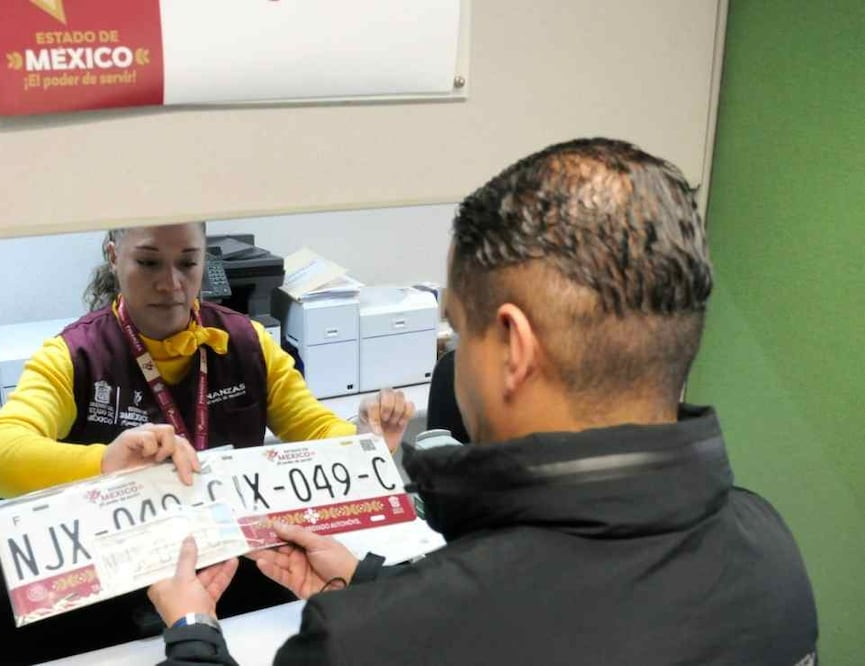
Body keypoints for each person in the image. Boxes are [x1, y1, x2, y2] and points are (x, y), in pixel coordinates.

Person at [147, 139, 819, 665]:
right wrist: (374, 581)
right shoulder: (768, 543)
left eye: (457, 332)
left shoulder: (369, 645)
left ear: (512, 347)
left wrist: (193, 631)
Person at [0, 222, 414, 618]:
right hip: (130, 595)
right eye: (148, 262)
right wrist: (106, 464)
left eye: (188, 262)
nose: (172, 284)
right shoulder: (75, 356)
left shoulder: (246, 342)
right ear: (113, 255)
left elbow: (316, 429)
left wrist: (366, 441)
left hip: (251, 577)